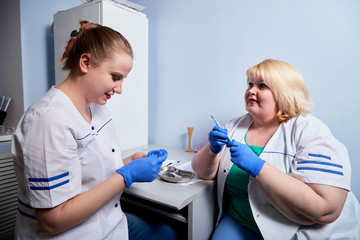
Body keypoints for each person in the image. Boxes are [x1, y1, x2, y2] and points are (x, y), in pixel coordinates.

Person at [11, 21, 176, 239]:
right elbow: (52, 220)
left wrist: (131, 162)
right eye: (115, 77)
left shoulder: (97, 108)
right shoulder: (47, 119)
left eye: (123, 79)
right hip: (69, 234)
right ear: (86, 62)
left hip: (107, 221)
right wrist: (127, 175)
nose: (119, 89)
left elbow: (89, 171)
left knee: (166, 233)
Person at [192, 59, 360, 239]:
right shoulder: (235, 125)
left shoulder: (310, 131)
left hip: (293, 230)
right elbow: (201, 172)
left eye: (262, 85)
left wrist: (258, 167)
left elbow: (326, 209)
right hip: (239, 220)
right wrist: (213, 150)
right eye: (250, 84)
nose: (251, 90)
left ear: (284, 92)